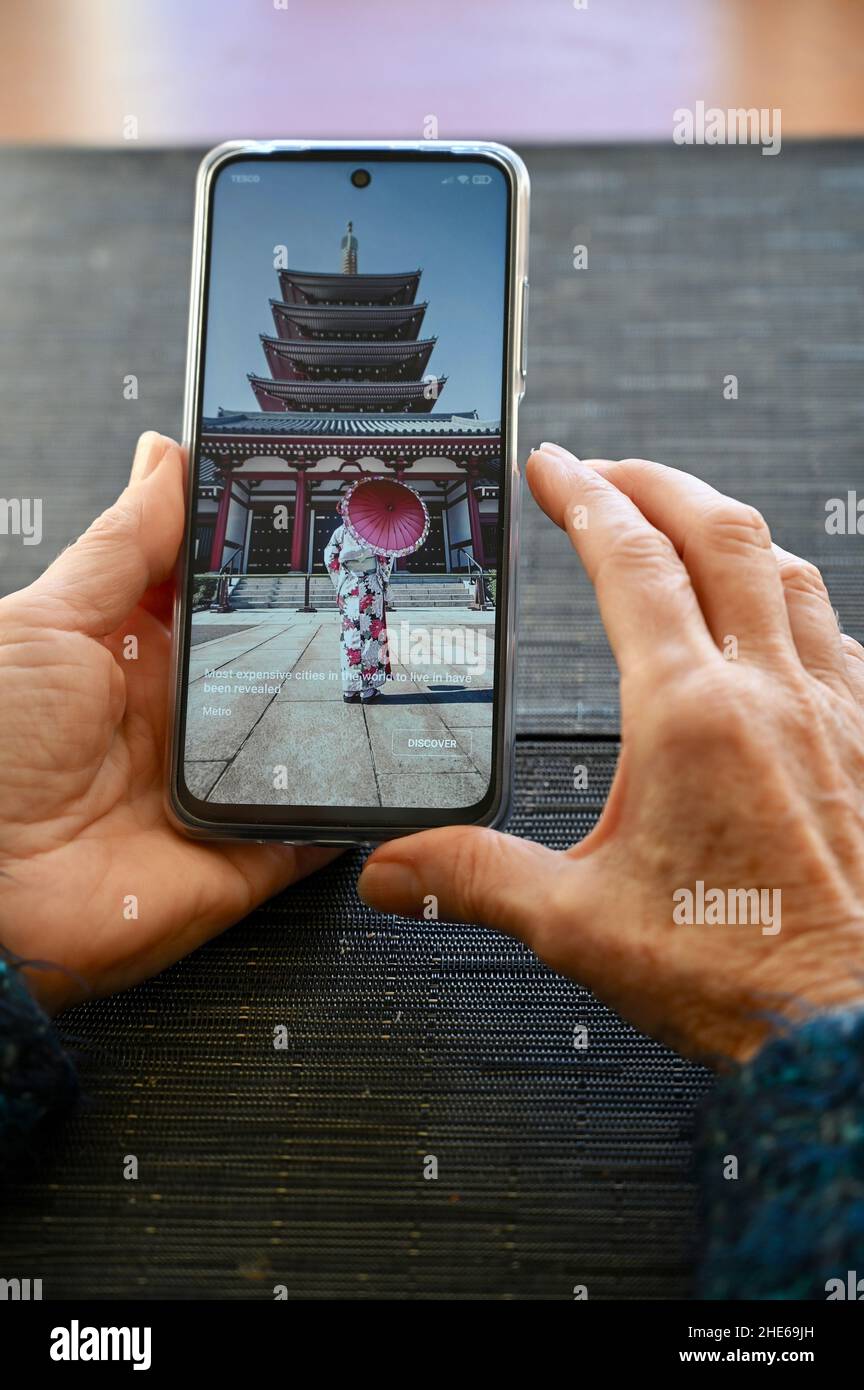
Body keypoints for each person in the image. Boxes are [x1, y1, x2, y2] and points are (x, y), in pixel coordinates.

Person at [1, 432, 862, 1299]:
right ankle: (363, 680)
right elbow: (355, 576)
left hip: (354, 606)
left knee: (364, 640)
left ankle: (365, 679)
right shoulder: (354, 543)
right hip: (355, 604)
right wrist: (829, 1009)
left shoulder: (350, 540)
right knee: (362, 639)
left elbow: (359, 576)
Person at [324, 498, 394, 703]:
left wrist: (341, 581)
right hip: (371, 584)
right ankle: (368, 690)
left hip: (349, 585)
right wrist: (383, 580)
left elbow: (330, 557)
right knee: (371, 634)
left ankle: (350, 689)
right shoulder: (374, 532)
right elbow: (386, 557)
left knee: (350, 635)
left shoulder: (340, 532)